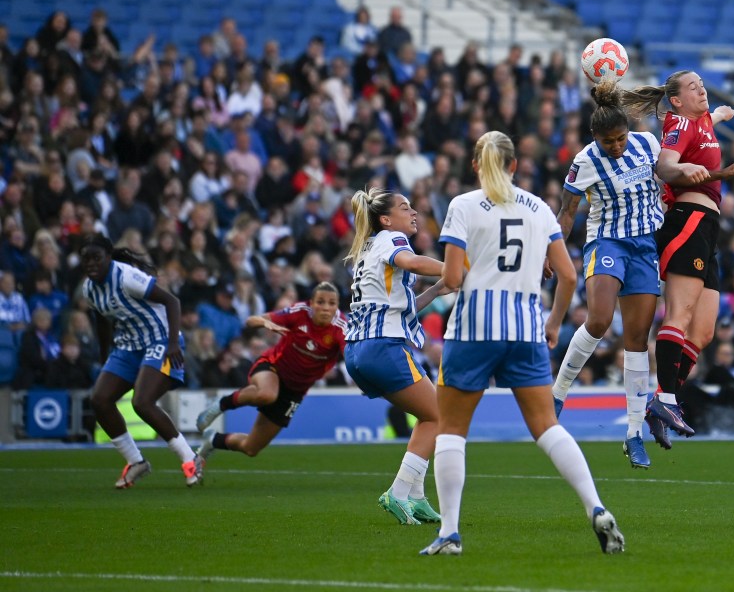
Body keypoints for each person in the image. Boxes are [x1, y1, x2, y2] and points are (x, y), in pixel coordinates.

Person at [421, 131, 624, 556]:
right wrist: (553, 323)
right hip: (526, 329)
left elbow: (454, 279)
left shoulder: (462, 206)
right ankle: (596, 506)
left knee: (452, 431)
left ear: (477, 165)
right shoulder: (539, 209)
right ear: (515, 166)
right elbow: (568, 276)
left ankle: (450, 533)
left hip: (473, 330)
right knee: (548, 427)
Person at [618, 70, 734, 449]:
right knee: (679, 316)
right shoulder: (679, 123)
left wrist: (721, 114)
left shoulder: (702, 120)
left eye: (704, 85)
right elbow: (665, 165)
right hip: (688, 221)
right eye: (694, 87)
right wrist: (682, 171)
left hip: (709, 229)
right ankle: (668, 401)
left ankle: (661, 400)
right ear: (676, 100)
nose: (702, 90)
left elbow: (710, 121)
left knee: (704, 331)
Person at [549, 79, 664, 470]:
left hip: (645, 245)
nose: (615, 147)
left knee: (636, 340)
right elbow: (566, 213)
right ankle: (558, 393)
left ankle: (633, 434)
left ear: (628, 132)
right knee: (598, 320)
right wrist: (551, 250)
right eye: (607, 142)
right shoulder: (584, 161)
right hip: (608, 242)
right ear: (594, 138)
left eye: (620, 139)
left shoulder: (649, 144)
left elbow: (673, 171)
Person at [342, 187, 449, 526]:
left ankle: (416, 498)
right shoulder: (392, 240)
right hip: (382, 347)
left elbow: (399, 309)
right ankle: (399, 492)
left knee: (429, 414)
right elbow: (414, 262)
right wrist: (457, 269)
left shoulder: (366, 250)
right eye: (406, 208)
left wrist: (435, 290)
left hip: (358, 351)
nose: (414, 212)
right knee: (439, 417)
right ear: (386, 220)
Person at [78, 233, 201, 488]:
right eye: (86, 259)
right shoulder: (89, 289)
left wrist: (173, 343)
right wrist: (105, 358)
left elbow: (172, 301)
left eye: (96, 258)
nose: (91, 264)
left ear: (108, 257)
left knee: (142, 402)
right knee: (99, 400)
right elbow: (101, 321)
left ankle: (190, 459)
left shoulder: (126, 277)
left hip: (160, 340)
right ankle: (136, 462)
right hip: (128, 346)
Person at [194, 283, 347, 466]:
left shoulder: (341, 327)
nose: (326, 308)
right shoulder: (298, 312)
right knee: (266, 394)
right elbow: (251, 320)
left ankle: (213, 441)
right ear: (311, 303)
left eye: (332, 303)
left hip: (295, 391)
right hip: (272, 367)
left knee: (251, 448)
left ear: (337, 305)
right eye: (320, 302)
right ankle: (220, 405)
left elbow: (351, 356)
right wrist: (264, 322)